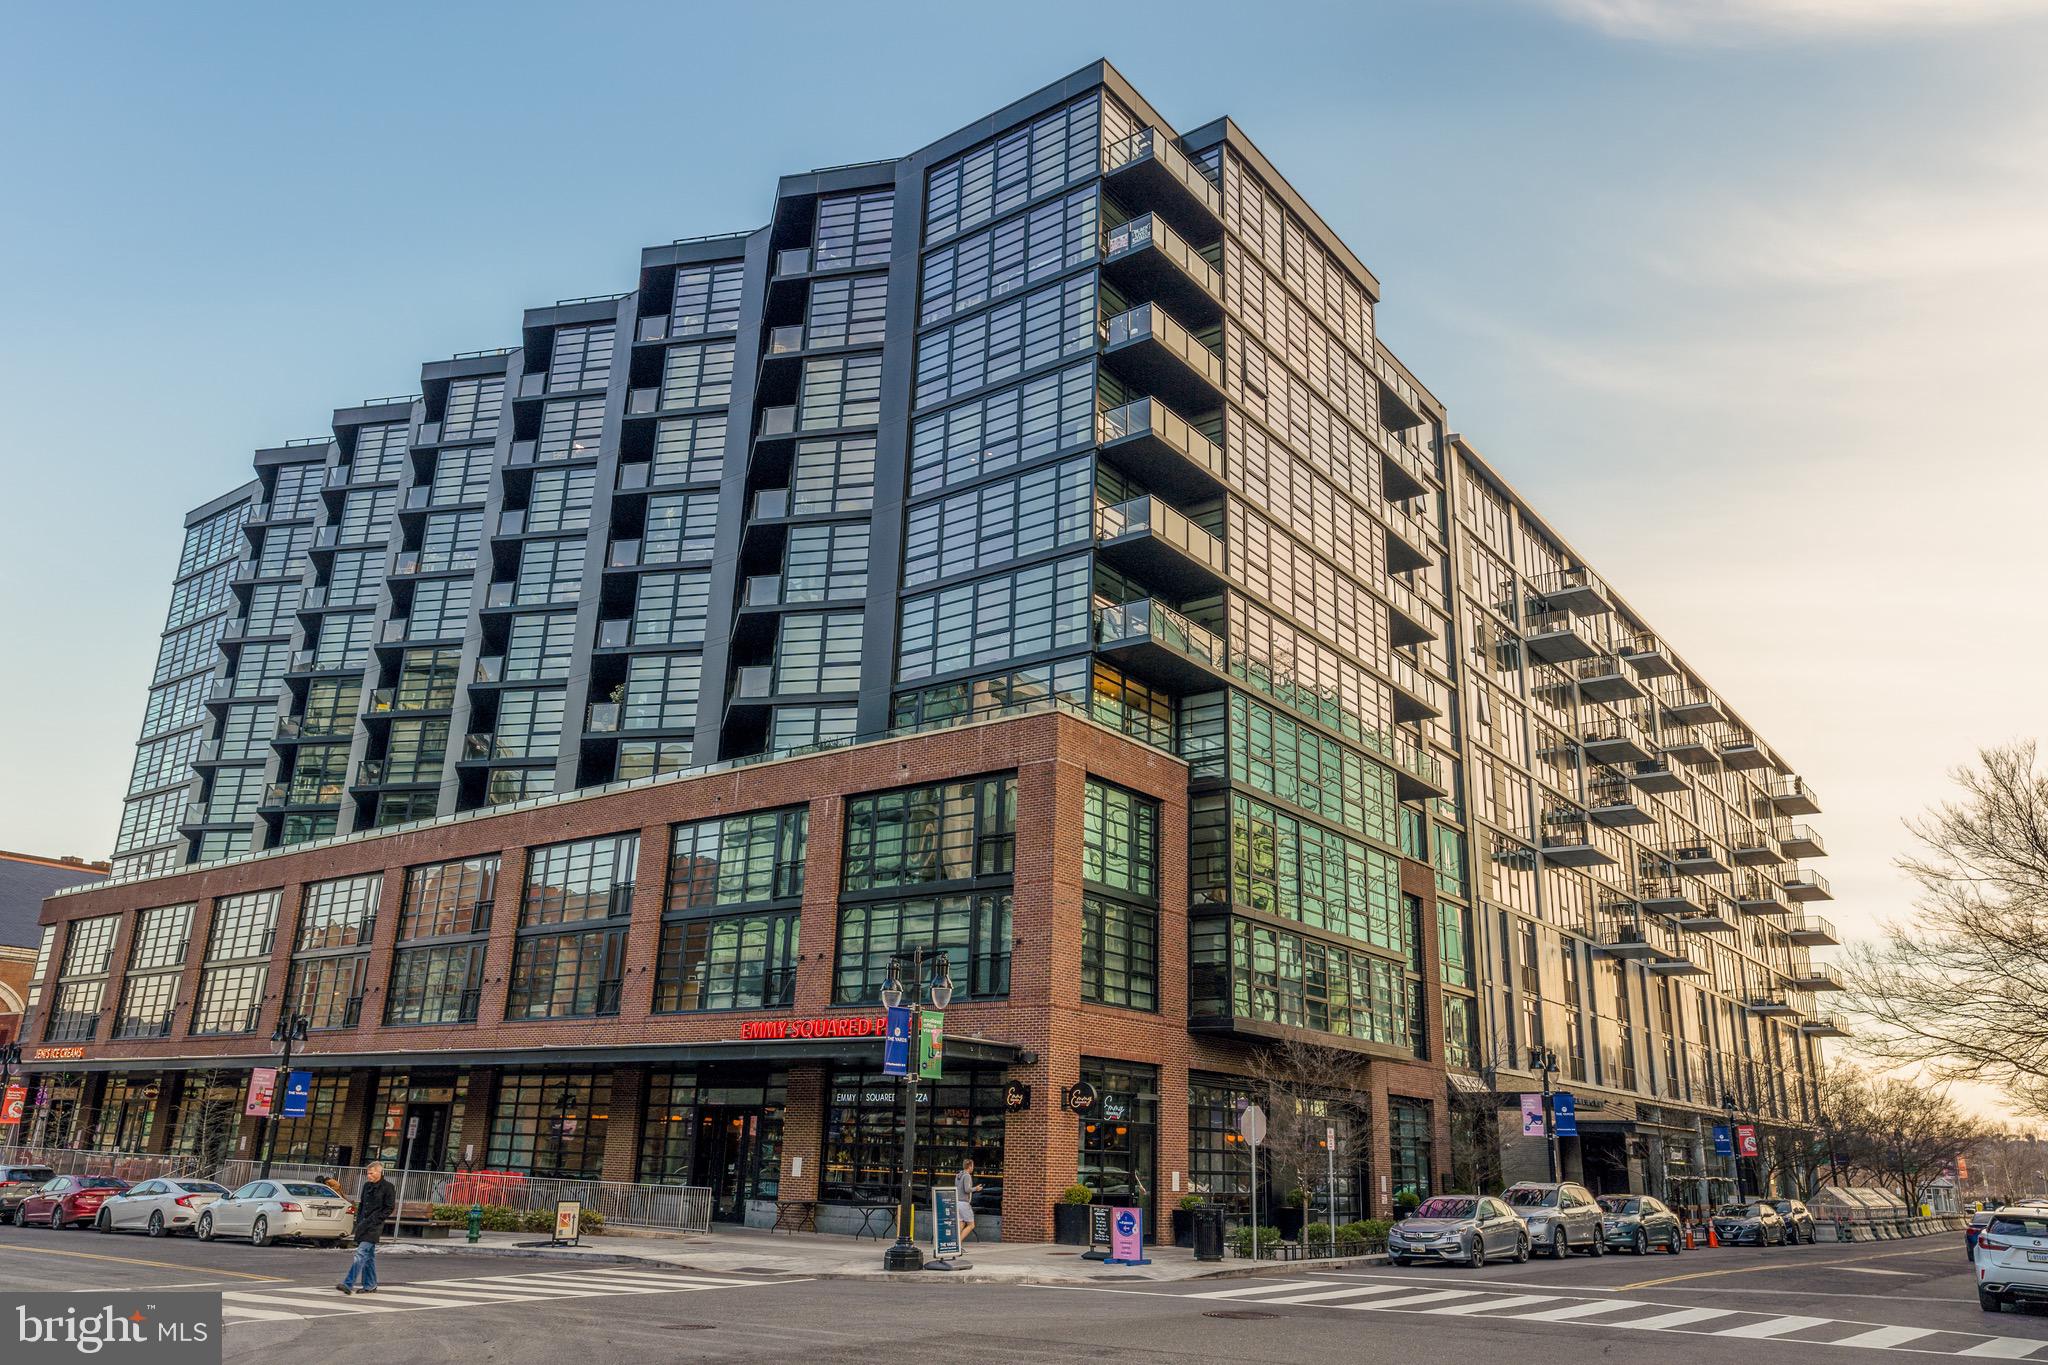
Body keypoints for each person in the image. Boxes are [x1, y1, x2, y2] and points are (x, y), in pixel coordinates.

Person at [337, 1161, 397, 1295]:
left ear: (379, 1172)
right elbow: (363, 1204)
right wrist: (359, 1221)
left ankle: (348, 1284)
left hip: (374, 1226)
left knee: (361, 1253)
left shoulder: (388, 1187)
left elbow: (389, 1208)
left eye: (371, 1173)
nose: (368, 1175)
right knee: (369, 1258)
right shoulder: (366, 1186)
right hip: (363, 1225)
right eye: (367, 1173)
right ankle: (370, 1285)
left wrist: (375, 1220)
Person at [955, 1158, 984, 1242]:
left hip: (957, 1202)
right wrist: (976, 1188)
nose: (973, 1168)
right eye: (973, 1166)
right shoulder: (967, 1176)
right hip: (964, 1203)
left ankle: (955, 1244)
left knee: (961, 1223)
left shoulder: (958, 1175)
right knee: (971, 1225)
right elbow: (967, 1189)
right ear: (969, 1166)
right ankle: (958, 1243)